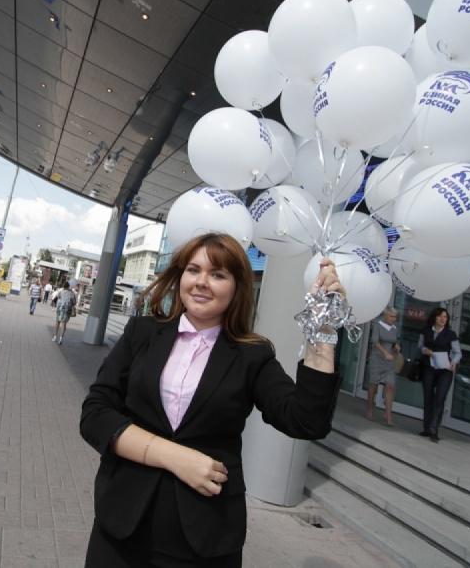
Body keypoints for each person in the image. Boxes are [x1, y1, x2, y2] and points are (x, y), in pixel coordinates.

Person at [79, 233, 343, 566]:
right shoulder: (142, 333)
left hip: (205, 538)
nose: (202, 282)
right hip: (120, 526)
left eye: (218, 274)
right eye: (194, 270)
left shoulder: (252, 355)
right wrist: (175, 457)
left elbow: (306, 421)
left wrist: (323, 333)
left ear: (237, 287)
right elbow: (95, 415)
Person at [418, 307, 462, 443]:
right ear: (434, 317)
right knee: (428, 397)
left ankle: (434, 429)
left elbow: (458, 352)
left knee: (440, 398)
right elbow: (420, 345)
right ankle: (426, 427)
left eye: (445, 317)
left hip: (445, 369)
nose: (443, 319)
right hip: (429, 367)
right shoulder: (426, 331)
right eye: (440, 316)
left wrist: (454, 362)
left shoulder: (451, 334)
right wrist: (425, 350)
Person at [366, 307, 401, 425]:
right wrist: (385, 353)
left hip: (389, 361)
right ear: (385, 316)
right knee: (373, 385)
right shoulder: (378, 325)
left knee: (390, 386)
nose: (393, 319)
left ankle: (388, 415)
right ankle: (370, 409)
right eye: (391, 316)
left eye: (395, 317)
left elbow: (394, 342)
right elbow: (375, 341)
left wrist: (396, 347)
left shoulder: (395, 328)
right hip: (377, 359)